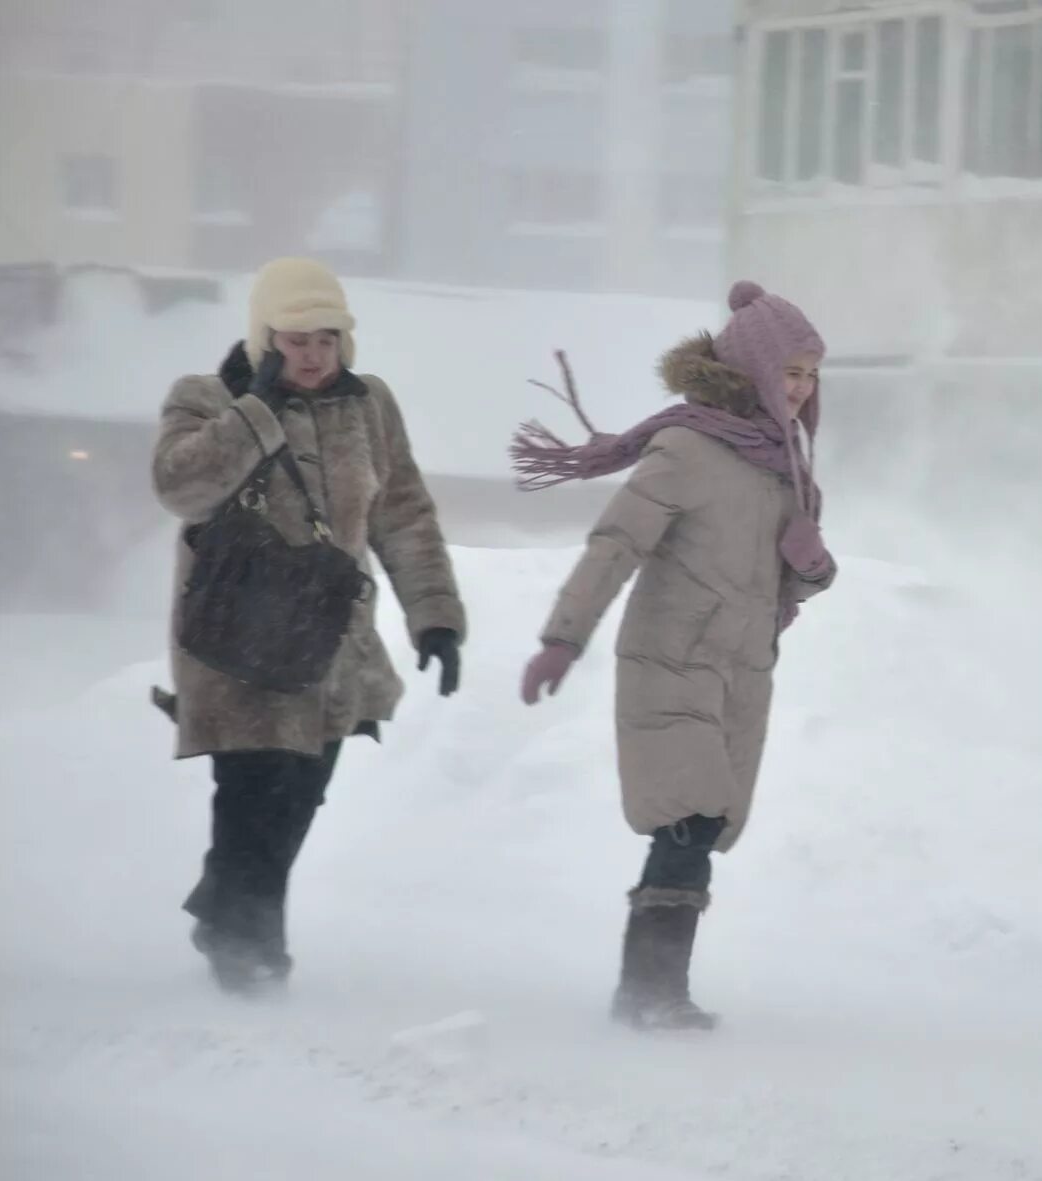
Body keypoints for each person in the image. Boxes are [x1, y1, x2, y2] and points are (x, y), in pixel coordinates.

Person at [514, 280, 836, 1031]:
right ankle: (650, 993)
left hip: (741, 674)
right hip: (670, 658)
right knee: (686, 820)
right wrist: (564, 637)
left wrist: (813, 563)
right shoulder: (686, 448)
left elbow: (795, 581)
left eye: (811, 374)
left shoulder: (783, 466)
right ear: (754, 368)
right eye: (789, 370)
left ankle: (656, 991)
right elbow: (617, 542)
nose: (800, 388)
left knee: (704, 826)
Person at [151, 257, 465, 991]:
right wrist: (253, 412)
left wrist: (436, 619)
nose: (316, 353)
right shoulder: (205, 397)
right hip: (234, 641)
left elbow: (404, 515)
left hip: (329, 645)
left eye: (328, 337)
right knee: (253, 789)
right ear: (265, 337)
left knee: (299, 793)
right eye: (297, 339)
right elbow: (178, 486)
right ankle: (251, 956)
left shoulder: (370, 404)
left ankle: (225, 911)